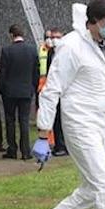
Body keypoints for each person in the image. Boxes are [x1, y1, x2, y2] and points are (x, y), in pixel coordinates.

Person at [26, 0, 105, 209]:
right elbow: (51, 90)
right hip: (79, 126)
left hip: (102, 126)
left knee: (92, 190)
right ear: (93, 22)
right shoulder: (72, 47)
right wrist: (43, 133)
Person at [0, 24, 39, 160]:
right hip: (26, 91)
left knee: (10, 121)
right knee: (24, 120)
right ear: (23, 34)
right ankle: (26, 151)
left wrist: (2, 90)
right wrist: (33, 88)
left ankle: (12, 149)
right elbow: (36, 72)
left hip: (10, 91)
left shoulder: (6, 50)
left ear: (11, 35)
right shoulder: (32, 50)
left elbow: (2, 74)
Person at [46, 27, 68, 157]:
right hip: (54, 90)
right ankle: (59, 145)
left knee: (63, 120)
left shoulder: (67, 52)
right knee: (56, 119)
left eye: (57, 37)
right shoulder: (49, 52)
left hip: (65, 92)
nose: (54, 40)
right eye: (52, 37)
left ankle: (63, 146)